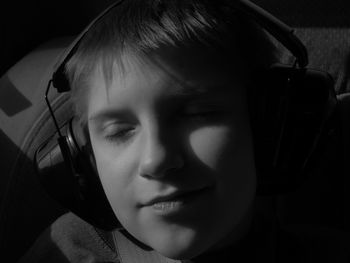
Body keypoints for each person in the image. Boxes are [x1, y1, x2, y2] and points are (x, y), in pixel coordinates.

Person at [17, 0, 348, 262]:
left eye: (197, 113)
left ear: (270, 127)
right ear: (84, 162)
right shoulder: (67, 252)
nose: (156, 159)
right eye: (119, 131)